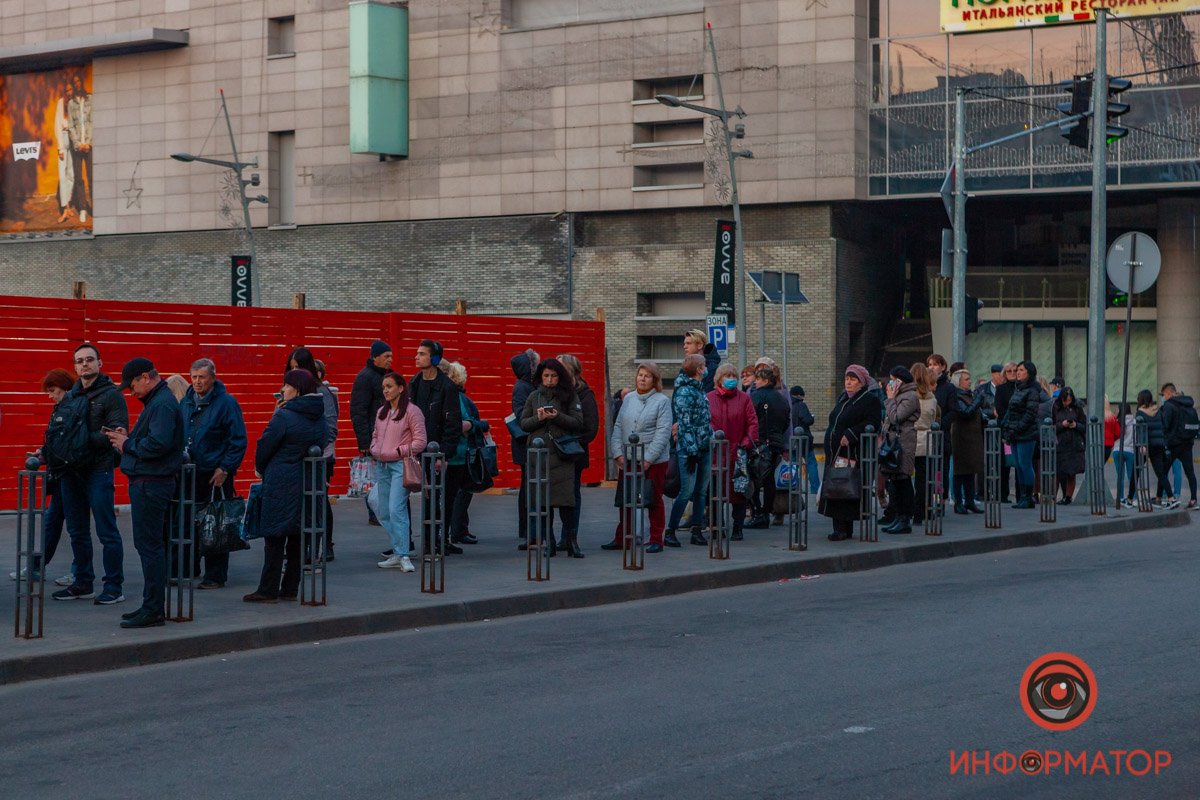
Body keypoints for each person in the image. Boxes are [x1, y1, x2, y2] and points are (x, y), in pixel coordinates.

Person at [105, 358, 184, 628]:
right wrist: (127, 438)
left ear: (145, 378)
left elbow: (158, 444)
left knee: (149, 546)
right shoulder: (158, 402)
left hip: (151, 483)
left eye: (132, 385)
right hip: (150, 482)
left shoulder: (161, 404)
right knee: (150, 546)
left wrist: (127, 444)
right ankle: (151, 605)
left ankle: (153, 609)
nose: (131, 391)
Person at [53, 343, 128, 605]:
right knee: (77, 531)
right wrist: (46, 452)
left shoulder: (112, 395)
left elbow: (117, 433)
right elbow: (60, 432)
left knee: (107, 531)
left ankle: (114, 587)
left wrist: (81, 441)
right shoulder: (70, 396)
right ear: (75, 367)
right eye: (80, 361)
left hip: (98, 469)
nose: (84, 364)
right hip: (71, 472)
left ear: (99, 363)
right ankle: (83, 583)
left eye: (89, 359)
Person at [243, 369, 326, 602]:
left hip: (281, 481)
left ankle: (268, 589)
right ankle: (290, 588)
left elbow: (265, 444)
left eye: (287, 385)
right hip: (307, 482)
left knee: (274, 537)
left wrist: (260, 467)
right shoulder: (319, 416)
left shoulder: (284, 416)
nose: (283, 389)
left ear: (297, 390)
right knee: (298, 537)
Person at [180, 358, 248, 589]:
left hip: (215, 475)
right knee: (189, 523)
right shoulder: (186, 402)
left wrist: (225, 468)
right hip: (190, 473)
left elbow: (238, 440)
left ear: (213, 377)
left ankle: (215, 576)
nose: (197, 382)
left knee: (215, 524)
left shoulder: (227, 403)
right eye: (194, 377)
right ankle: (190, 567)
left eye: (202, 377)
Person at [11, 369, 77, 585]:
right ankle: (37, 567)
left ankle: (79, 573)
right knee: (53, 522)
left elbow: (69, 443)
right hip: (61, 475)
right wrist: (44, 453)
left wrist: (47, 454)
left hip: (72, 475)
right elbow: (58, 441)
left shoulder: (74, 408)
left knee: (76, 527)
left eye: (52, 390)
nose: (50, 395)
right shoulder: (61, 408)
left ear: (64, 387)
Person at [520, 357, 587, 557]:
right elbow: (524, 423)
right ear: (540, 377)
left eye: (554, 376)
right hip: (539, 457)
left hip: (562, 455)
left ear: (560, 377)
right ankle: (548, 542)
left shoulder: (570, 395)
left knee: (567, 502)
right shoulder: (534, 396)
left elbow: (578, 422)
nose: (550, 380)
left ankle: (571, 541)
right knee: (543, 502)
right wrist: (539, 418)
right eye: (546, 376)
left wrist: (557, 416)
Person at [605, 361, 672, 553]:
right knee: (625, 499)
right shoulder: (628, 399)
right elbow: (618, 426)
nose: (642, 379)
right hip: (628, 458)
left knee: (653, 499)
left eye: (647, 376)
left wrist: (649, 458)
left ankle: (656, 539)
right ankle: (622, 538)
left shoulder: (662, 401)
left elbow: (663, 432)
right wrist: (617, 453)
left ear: (654, 380)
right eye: (640, 375)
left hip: (654, 461)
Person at [411, 340, 464, 554]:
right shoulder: (414, 383)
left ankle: (435, 541)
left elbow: (453, 424)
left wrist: (444, 454)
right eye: (417, 353)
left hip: (436, 452)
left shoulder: (447, 387)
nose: (416, 357)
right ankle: (424, 542)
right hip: (417, 451)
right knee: (424, 498)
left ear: (434, 358)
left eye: (422, 354)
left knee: (435, 498)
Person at [820, 364, 883, 541]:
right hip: (836, 453)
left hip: (852, 453)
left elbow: (873, 423)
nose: (848, 382)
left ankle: (842, 529)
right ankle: (842, 528)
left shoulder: (869, 399)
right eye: (847, 379)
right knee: (837, 487)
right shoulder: (843, 398)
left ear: (861, 382)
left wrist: (851, 434)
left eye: (853, 379)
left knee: (844, 488)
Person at [287, 347, 339, 561]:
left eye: (298, 367)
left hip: (319, 456)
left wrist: (315, 447)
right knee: (301, 503)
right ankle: (300, 548)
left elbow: (331, 427)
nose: (295, 372)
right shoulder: (290, 391)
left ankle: (324, 544)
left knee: (319, 501)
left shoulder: (321, 392)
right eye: (292, 368)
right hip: (297, 457)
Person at [371, 372, 426, 571]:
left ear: (401, 388)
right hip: (382, 466)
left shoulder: (412, 411)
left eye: (389, 386)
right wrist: (374, 449)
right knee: (384, 510)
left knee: (396, 509)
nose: (385, 390)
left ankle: (403, 555)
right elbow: (375, 435)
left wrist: (399, 451)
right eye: (384, 387)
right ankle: (397, 551)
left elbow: (421, 441)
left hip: (400, 466)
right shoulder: (381, 412)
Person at [706, 363, 758, 542]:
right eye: (727, 376)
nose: (731, 379)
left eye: (733, 376)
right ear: (719, 379)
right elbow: (705, 422)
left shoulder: (744, 399)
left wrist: (745, 444)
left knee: (739, 492)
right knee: (715, 492)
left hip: (737, 453)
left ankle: (738, 527)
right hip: (715, 454)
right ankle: (716, 527)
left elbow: (752, 423)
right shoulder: (709, 398)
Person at [665, 354, 712, 547]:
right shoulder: (685, 391)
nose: (706, 368)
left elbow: (703, 420)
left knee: (701, 491)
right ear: (699, 369)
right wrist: (692, 451)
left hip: (704, 446)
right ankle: (670, 530)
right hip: (689, 449)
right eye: (704, 365)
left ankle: (697, 530)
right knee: (687, 491)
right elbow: (685, 424)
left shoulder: (699, 389)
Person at [555, 354, 599, 551]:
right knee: (557, 496)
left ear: (573, 371)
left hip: (573, 454)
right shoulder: (553, 392)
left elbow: (591, 428)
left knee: (572, 495)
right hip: (555, 454)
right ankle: (561, 538)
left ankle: (569, 537)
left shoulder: (585, 395)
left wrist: (569, 442)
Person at [444, 361, 487, 546]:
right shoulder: (461, 399)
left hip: (454, 452)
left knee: (452, 494)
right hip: (461, 452)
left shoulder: (452, 397)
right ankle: (458, 530)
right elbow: (470, 423)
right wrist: (483, 425)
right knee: (461, 492)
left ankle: (455, 531)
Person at [351, 340, 392, 526]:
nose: (390, 360)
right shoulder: (365, 378)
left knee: (384, 475)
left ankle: (381, 510)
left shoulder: (386, 377)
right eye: (386, 356)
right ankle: (375, 512)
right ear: (375, 357)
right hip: (373, 437)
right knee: (374, 476)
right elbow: (358, 411)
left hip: (387, 436)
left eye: (391, 356)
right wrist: (364, 442)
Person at [746, 364, 790, 529]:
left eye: (757, 379)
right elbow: (786, 422)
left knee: (752, 478)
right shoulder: (781, 399)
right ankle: (766, 511)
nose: (755, 382)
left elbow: (749, 419)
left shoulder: (756, 396)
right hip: (775, 443)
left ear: (765, 380)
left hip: (758, 443)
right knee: (769, 478)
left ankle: (758, 512)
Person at [881, 366, 919, 534]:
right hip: (894, 442)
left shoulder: (910, 396)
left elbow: (896, 417)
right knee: (895, 480)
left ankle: (905, 518)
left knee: (903, 479)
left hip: (904, 443)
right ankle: (898, 516)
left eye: (892, 380)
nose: (890, 384)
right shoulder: (899, 395)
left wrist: (890, 399)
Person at [509, 349, 540, 547]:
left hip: (526, 444)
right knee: (528, 487)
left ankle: (528, 529)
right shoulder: (523, 387)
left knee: (528, 486)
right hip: (526, 444)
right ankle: (527, 529)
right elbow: (522, 415)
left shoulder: (526, 385)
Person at [1001, 361, 1041, 510]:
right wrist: (1006, 427)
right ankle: (1023, 496)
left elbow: (1030, 413)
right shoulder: (1018, 389)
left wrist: (1017, 429)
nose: (1018, 372)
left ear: (1029, 373)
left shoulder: (1032, 391)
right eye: (1017, 369)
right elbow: (1010, 411)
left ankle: (1028, 497)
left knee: (1025, 464)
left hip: (1026, 433)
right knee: (1018, 465)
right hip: (1014, 433)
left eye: (1021, 370)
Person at [949, 367, 986, 514]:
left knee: (971, 470)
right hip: (961, 437)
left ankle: (969, 501)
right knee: (960, 471)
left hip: (973, 437)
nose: (970, 382)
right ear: (958, 382)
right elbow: (965, 413)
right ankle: (958, 501)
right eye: (966, 379)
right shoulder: (957, 396)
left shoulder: (969, 395)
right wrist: (978, 401)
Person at [1159, 382, 1198, 509]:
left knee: (1163, 471)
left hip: (1174, 444)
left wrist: (1164, 440)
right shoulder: (1188, 405)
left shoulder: (1169, 405)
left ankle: (1160, 498)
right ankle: (1193, 500)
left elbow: (1165, 425)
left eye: (1163, 395)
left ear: (1168, 393)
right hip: (1188, 443)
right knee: (1190, 472)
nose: (1163, 397)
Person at [1136, 390, 1176, 508]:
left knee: (1136, 471)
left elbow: (1141, 430)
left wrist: (1142, 444)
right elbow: (1163, 426)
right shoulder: (1158, 411)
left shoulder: (1140, 413)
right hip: (1158, 445)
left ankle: (1129, 498)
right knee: (1161, 474)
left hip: (1146, 446)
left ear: (1141, 399)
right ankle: (1171, 498)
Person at [911, 363, 940, 524]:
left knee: (904, 478)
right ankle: (924, 511)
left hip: (910, 438)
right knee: (924, 479)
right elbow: (934, 417)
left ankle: (909, 511)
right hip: (927, 439)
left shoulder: (909, 396)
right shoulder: (932, 399)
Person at [1052, 386, 1087, 504]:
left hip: (1074, 443)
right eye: (1065, 400)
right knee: (1057, 472)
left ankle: (1068, 497)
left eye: (1069, 400)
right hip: (1060, 443)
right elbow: (1051, 425)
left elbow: (1084, 425)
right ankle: (1053, 497)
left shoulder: (1077, 408)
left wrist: (1075, 425)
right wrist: (1062, 425)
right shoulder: (1056, 407)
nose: (1067, 403)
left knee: (1072, 472)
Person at [67, 73, 93, 223]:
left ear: (82, 82)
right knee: (79, 178)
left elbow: (92, 121)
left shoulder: (90, 99)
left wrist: (88, 143)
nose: (77, 84)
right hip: (77, 147)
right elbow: (70, 126)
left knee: (91, 177)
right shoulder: (71, 104)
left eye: (78, 81)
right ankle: (83, 208)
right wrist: (77, 144)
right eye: (74, 82)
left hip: (89, 146)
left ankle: (94, 207)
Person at [994, 361, 1019, 501]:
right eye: (1009, 371)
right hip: (1005, 429)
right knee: (1004, 463)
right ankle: (1003, 494)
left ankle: (1021, 495)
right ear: (1005, 373)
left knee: (1020, 463)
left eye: (1015, 370)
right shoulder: (1000, 389)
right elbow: (1000, 408)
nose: (1013, 373)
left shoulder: (1021, 388)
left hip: (1020, 428)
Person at [790, 385, 820, 495]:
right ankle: (815, 488)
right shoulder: (801, 405)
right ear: (799, 395)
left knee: (794, 464)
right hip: (804, 441)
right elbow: (807, 420)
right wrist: (812, 417)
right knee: (811, 463)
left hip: (792, 441)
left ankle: (795, 487)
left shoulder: (788, 405)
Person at [54, 77, 75, 224]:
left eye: (70, 89)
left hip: (73, 138)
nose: (68, 92)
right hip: (63, 137)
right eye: (66, 90)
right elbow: (57, 125)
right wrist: (60, 147)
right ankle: (64, 208)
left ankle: (68, 206)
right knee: (62, 176)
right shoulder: (60, 103)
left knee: (71, 174)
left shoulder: (75, 102)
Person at [1113, 402, 1138, 507]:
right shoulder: (1134, 421)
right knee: (1132, 476)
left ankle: (1121, 497)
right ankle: (1134, 498)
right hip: (1130, 450)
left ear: (1120, 410)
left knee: (1120, 476)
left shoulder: (1116, 421)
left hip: (1117, 450)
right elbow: (1136, 437)